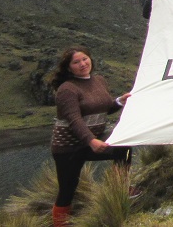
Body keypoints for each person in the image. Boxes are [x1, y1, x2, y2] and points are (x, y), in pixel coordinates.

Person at [50, 46, 133, 226]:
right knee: (67, 189)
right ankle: (60, 223)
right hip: (69, 148)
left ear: (91, 59)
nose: (82, 64)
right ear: (68, 67)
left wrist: (119, 101)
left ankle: (121, 187)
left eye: (85, 59)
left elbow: (104, 107)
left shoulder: (99, 81)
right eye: (76, 62)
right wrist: (91, 141)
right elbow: (74, 119)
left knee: (124, 145)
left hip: (92, 140)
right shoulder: (67, 89)